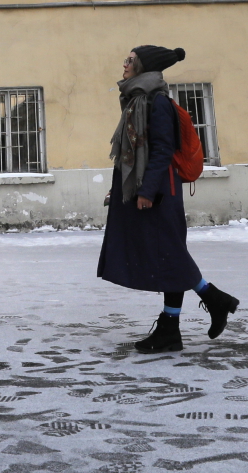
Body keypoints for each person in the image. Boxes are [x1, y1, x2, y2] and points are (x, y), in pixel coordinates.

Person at [97, 44, 239, 353]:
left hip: (160, 191)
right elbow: (129, 152)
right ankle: (190, 316)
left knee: (170, 255)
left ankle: (190, 317)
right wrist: (120, 187)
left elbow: (161, 149)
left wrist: (146, 191)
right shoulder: (136, 99)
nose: (124, 65)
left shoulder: (156, 101)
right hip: (149, 188)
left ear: (143, 67)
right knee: (167, 256)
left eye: (130, 60)